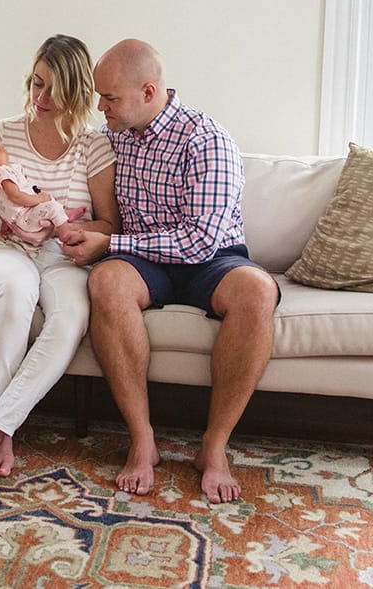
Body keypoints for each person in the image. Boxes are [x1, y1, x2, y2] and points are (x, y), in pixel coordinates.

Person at [61, 38, 280, 505]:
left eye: (110, 98)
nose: (100, 107)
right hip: (144, 260)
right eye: (100, 96)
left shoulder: (207, 139)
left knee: (257, 291)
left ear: (148, 91)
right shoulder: (112, 134)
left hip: (211, 258)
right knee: (106, 281)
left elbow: (201, 238)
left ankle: (214, 448)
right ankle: (142, 439)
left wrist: (111, 242)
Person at [0, 34, 120, 489]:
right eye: (35, 84)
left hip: (63, 256)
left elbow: (109, 223)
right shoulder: (1, 133)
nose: (40, 98)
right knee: (15, 290)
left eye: (53, 89)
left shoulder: (94, 146)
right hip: (3, 247)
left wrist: (70, 230)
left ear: (77, 92)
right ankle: (2, 430)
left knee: (72, 317)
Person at [0, 135, 85, 245]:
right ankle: (65, 232)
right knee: (51, 206)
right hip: (26, 219)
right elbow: (15, 197)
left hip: (19, 221)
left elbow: (5, 206)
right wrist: (40, 198)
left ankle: (63, 214)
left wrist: (6, 225)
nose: (3, 148)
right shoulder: (3, 172)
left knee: (49, 207)